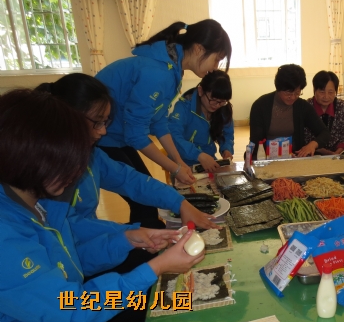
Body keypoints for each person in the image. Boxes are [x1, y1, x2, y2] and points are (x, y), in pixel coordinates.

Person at [0, 89, 205, 322]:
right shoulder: (7, 237)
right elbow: (71, 308)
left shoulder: (39, 205)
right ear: (31, 157)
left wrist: (128, 239)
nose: (76, 173)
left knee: (165, 305)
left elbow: (71, 262)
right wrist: (155, 268)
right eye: (69, 162)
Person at [36, 74, 218, 231]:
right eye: (98, 122)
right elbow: (71, 234)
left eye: (105, 122)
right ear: (70, 116)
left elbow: (130, 180)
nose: (103, 131)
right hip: (80, 252)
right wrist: (129, 235)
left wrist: (179, 202)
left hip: (94, 243)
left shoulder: (91, 156)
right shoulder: (46, 171)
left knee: (153, 226)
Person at [96, 19, 231, 223]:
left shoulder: (172, 69)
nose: (215, 68)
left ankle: (147, 237)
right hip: (100, 137)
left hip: (117, 136)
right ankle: (143, 240)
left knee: (146, 199)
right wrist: (174, 168)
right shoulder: (159, 72)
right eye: (216, 59)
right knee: (144, 200)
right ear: (198, 49)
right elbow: (136, 135)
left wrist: (179, 162)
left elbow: (159, 122)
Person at [249, 64, 330, 158]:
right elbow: (255, 142)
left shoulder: (302, 106)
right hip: (266, 159)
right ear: (278, 88)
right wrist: (278, 155)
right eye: (288, 93)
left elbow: (325, 132)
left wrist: (313, 144)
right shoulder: (260, 106)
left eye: (297, 93)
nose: (293, 97)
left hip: (294, 159)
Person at [169, 70, 234, 171]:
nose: (217, 105)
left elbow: (228, 134)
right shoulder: (184, 107)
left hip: (209, 161)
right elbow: (173, 137)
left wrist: (227, 149)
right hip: (183, 163)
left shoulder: (223, 108)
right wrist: (198, 155)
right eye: (213, 99)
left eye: (222, 101)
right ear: (200, 91)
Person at [304, 71, 344, 155]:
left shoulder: (342, 106)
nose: (326, 96)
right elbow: (306, 137)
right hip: (313, 152)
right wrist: (327, 153)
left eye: (330, 92)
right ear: (314, 90)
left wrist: (336, 153)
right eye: (322, 92)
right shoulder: (306, 107)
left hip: (338, 153)